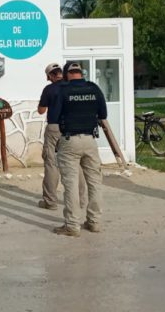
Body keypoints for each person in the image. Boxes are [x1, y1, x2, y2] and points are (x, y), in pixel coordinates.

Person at [49, 62, 107, 237]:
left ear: (67, 75)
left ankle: (72, 226)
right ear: (81, 74)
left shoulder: (63, 91)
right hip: (90, 140)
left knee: (71, 184)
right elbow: (103, 115)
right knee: (95, 182)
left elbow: (53, 118)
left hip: (69, 141)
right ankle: (94, 222)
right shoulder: (94, 88)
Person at [37, 62, 86, 211]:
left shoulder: (49, 89)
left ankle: (50, 201)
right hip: (73, 127)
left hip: (54, 128)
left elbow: (41, 110)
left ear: (50, 76)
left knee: (51, 163)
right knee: (76, 163)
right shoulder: (72, 87)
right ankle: (81, 201)